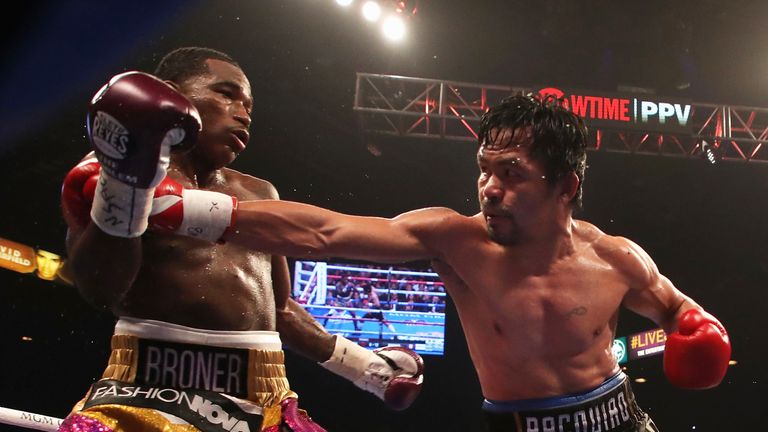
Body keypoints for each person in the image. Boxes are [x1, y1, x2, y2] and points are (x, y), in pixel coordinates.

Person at [151, 94, 732, 431]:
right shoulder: (456, 240)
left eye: (511, 174)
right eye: (485, 168)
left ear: (566, 187)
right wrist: (187, 210)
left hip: (617, 419)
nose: (489, 188)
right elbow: (324, 233)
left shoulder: (617, 257)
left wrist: (699, 331)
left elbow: (681, 312)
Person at [59, 47, 424, 432]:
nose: (243, 112)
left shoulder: (259, 194)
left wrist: (366, 369)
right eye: (226, 93)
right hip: (148, 387)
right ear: (172, 95)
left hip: (262, 393)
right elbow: (99, 288)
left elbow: (278, 308)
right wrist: (125, 186)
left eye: (248, 104)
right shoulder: (113, 168)